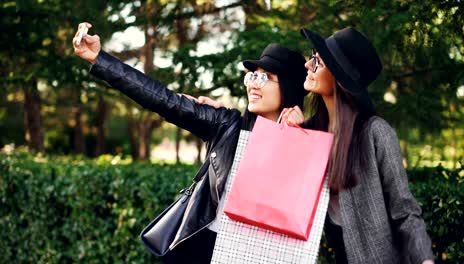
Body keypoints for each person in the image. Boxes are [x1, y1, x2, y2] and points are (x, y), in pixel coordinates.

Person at [196, 27, 435, 264]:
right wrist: (224, 117)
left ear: (339, 77)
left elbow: (405, 210)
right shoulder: (310, 132)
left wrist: (425, 259)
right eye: (312, 58)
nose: (307, 66)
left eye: (318, 61)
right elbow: (270, 174)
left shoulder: (375, 132)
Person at [72, 22, 307, 263]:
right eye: (252, 75)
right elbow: (164, 100)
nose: (253, 84)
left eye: (265, 77)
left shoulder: (308, 143)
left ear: (288, 87)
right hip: (206, 249)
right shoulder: (227, 126)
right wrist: (99, 59)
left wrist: (298, 136)